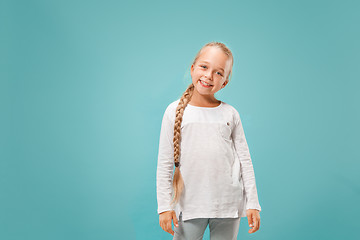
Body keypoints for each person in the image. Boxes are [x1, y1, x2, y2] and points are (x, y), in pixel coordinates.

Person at [156, 41, 261, 240]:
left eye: (219, 72)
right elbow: (164, 163)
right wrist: (163, 207)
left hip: (228, 206)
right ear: (193, 68)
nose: (209, 76)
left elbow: (245, 161)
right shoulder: (173, 111)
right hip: (190, 205)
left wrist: (252, 204)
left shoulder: (230, 114)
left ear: (225, 82)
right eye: (204, 67)